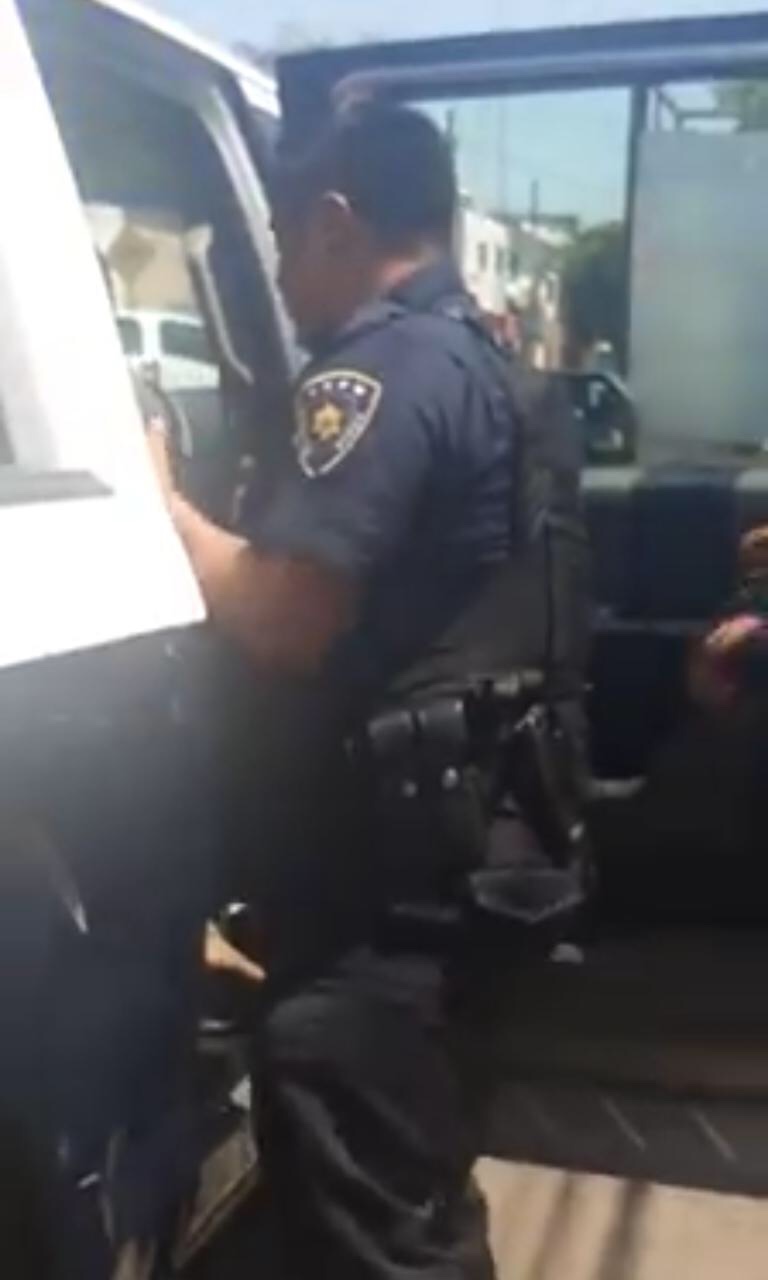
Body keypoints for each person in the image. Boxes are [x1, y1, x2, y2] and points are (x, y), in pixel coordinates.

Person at [147, 102, 585, 1280]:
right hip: (479, 863)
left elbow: (285, 614)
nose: (283, 278)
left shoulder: (384, 371)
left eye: (284, 243)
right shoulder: (490, 364)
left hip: (392, 899)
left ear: (337, 225)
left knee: (380, 1227)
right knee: (415, 1184)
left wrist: (167, 505)